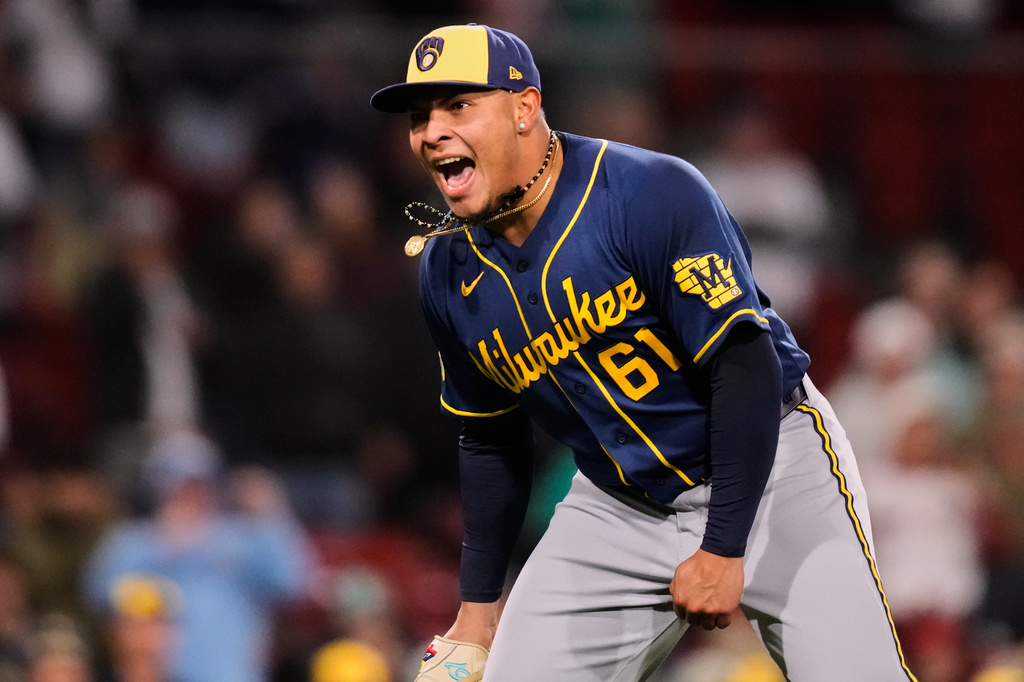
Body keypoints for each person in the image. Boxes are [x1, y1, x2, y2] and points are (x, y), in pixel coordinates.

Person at [370, 24, 916, 681]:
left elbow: (744, 365)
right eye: (420, 116)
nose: (432, 131)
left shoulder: (644, 193)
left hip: (771, 469)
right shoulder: (445, 272)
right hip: (618, 503)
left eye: (459, 106)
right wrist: (478, 608)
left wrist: (723, 544)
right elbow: (491, 441)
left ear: (524, 107)